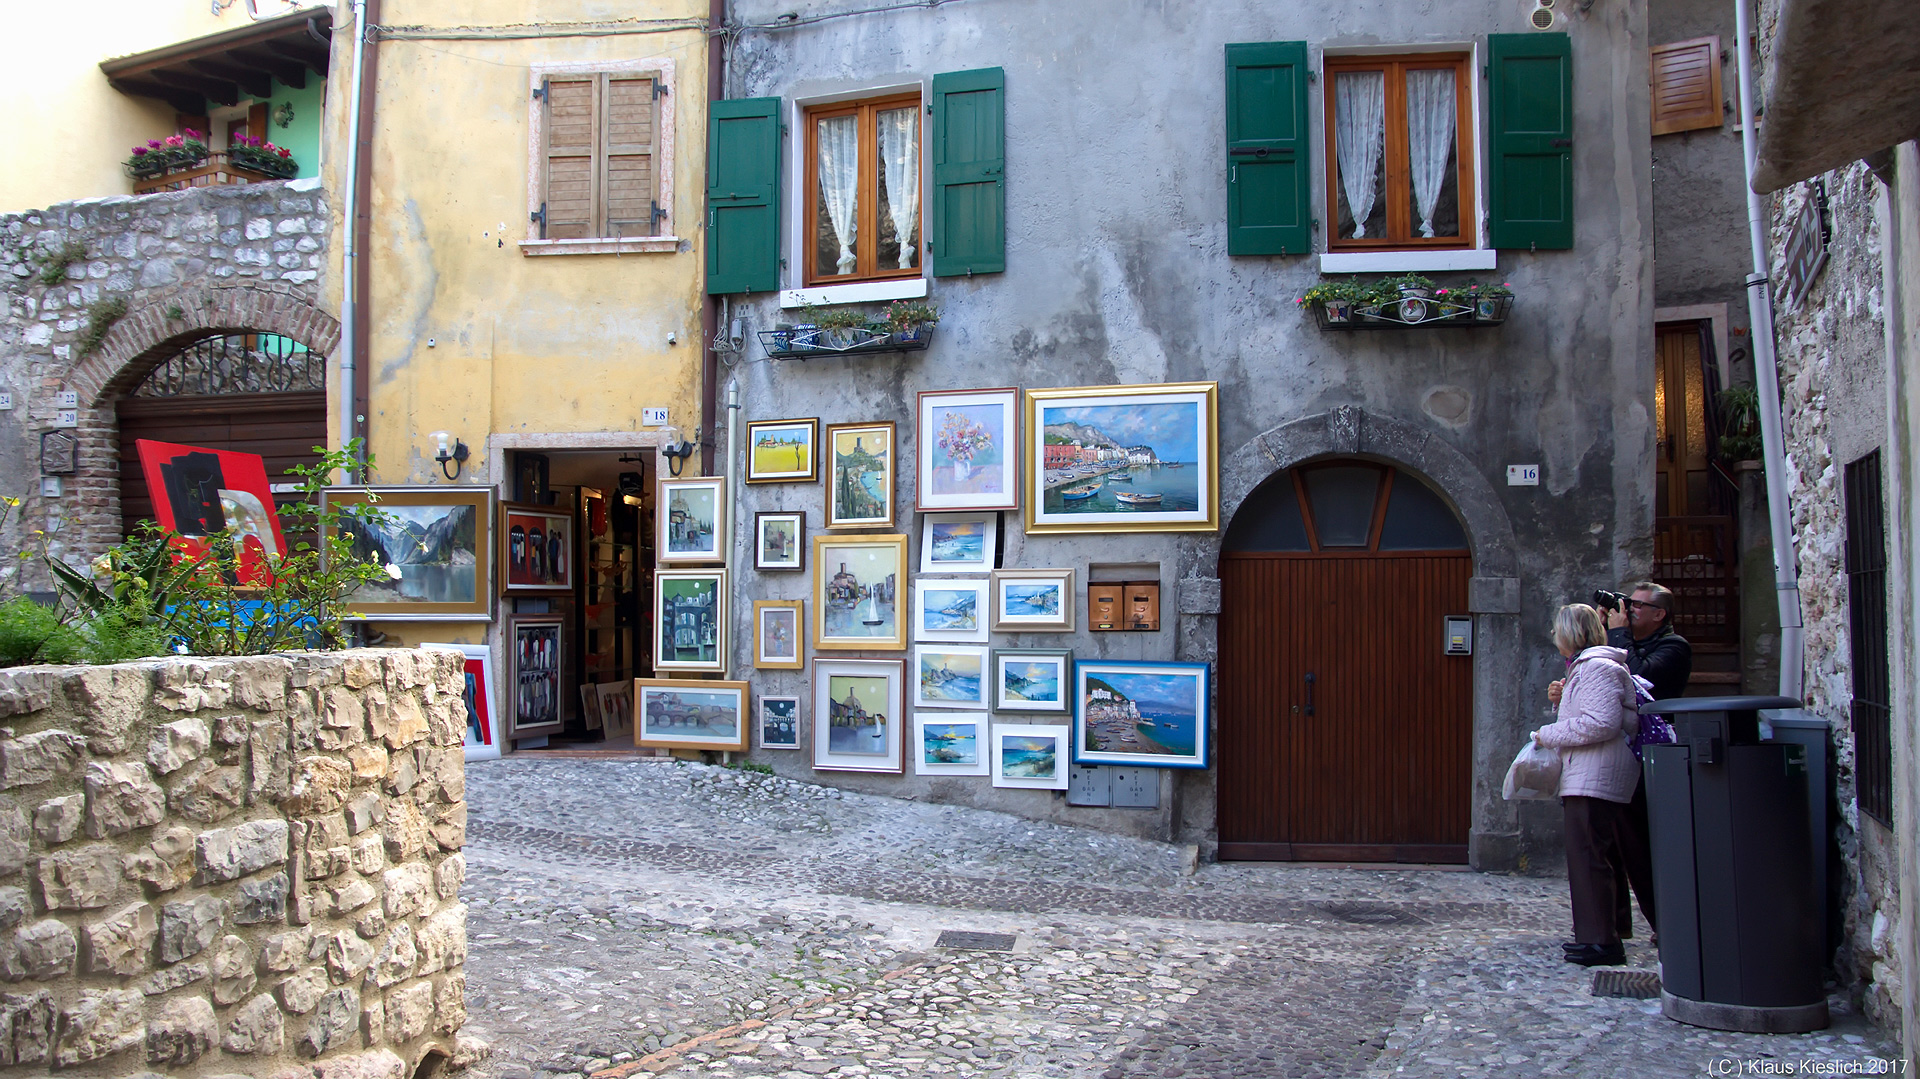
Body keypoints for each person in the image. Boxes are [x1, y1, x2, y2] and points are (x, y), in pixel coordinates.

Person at [1549, 582, 1687, 941]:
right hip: (1617, 759)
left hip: (1643, 759)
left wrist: (1619, 633)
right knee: (1608, 847)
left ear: (1661, 615)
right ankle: (1615, 925)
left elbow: (1642, 681)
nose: (1630, 610)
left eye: (1639, 606)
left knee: (1639, 846)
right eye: (1630, 604)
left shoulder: (1671, 647)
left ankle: (1667, 925)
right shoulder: (1606, 657)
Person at [1532, 603, 1653, 967]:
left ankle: (1600, 940)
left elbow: (1601, 723)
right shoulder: (1593, 667)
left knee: (1588, 856)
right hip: (1592, 772)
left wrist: (1546, 734)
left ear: (1571, 632)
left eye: (1557, 630)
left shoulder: (1597, 668)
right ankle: (1605, 932)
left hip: (1594, 775)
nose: (1554, 637)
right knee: (1600, 856)